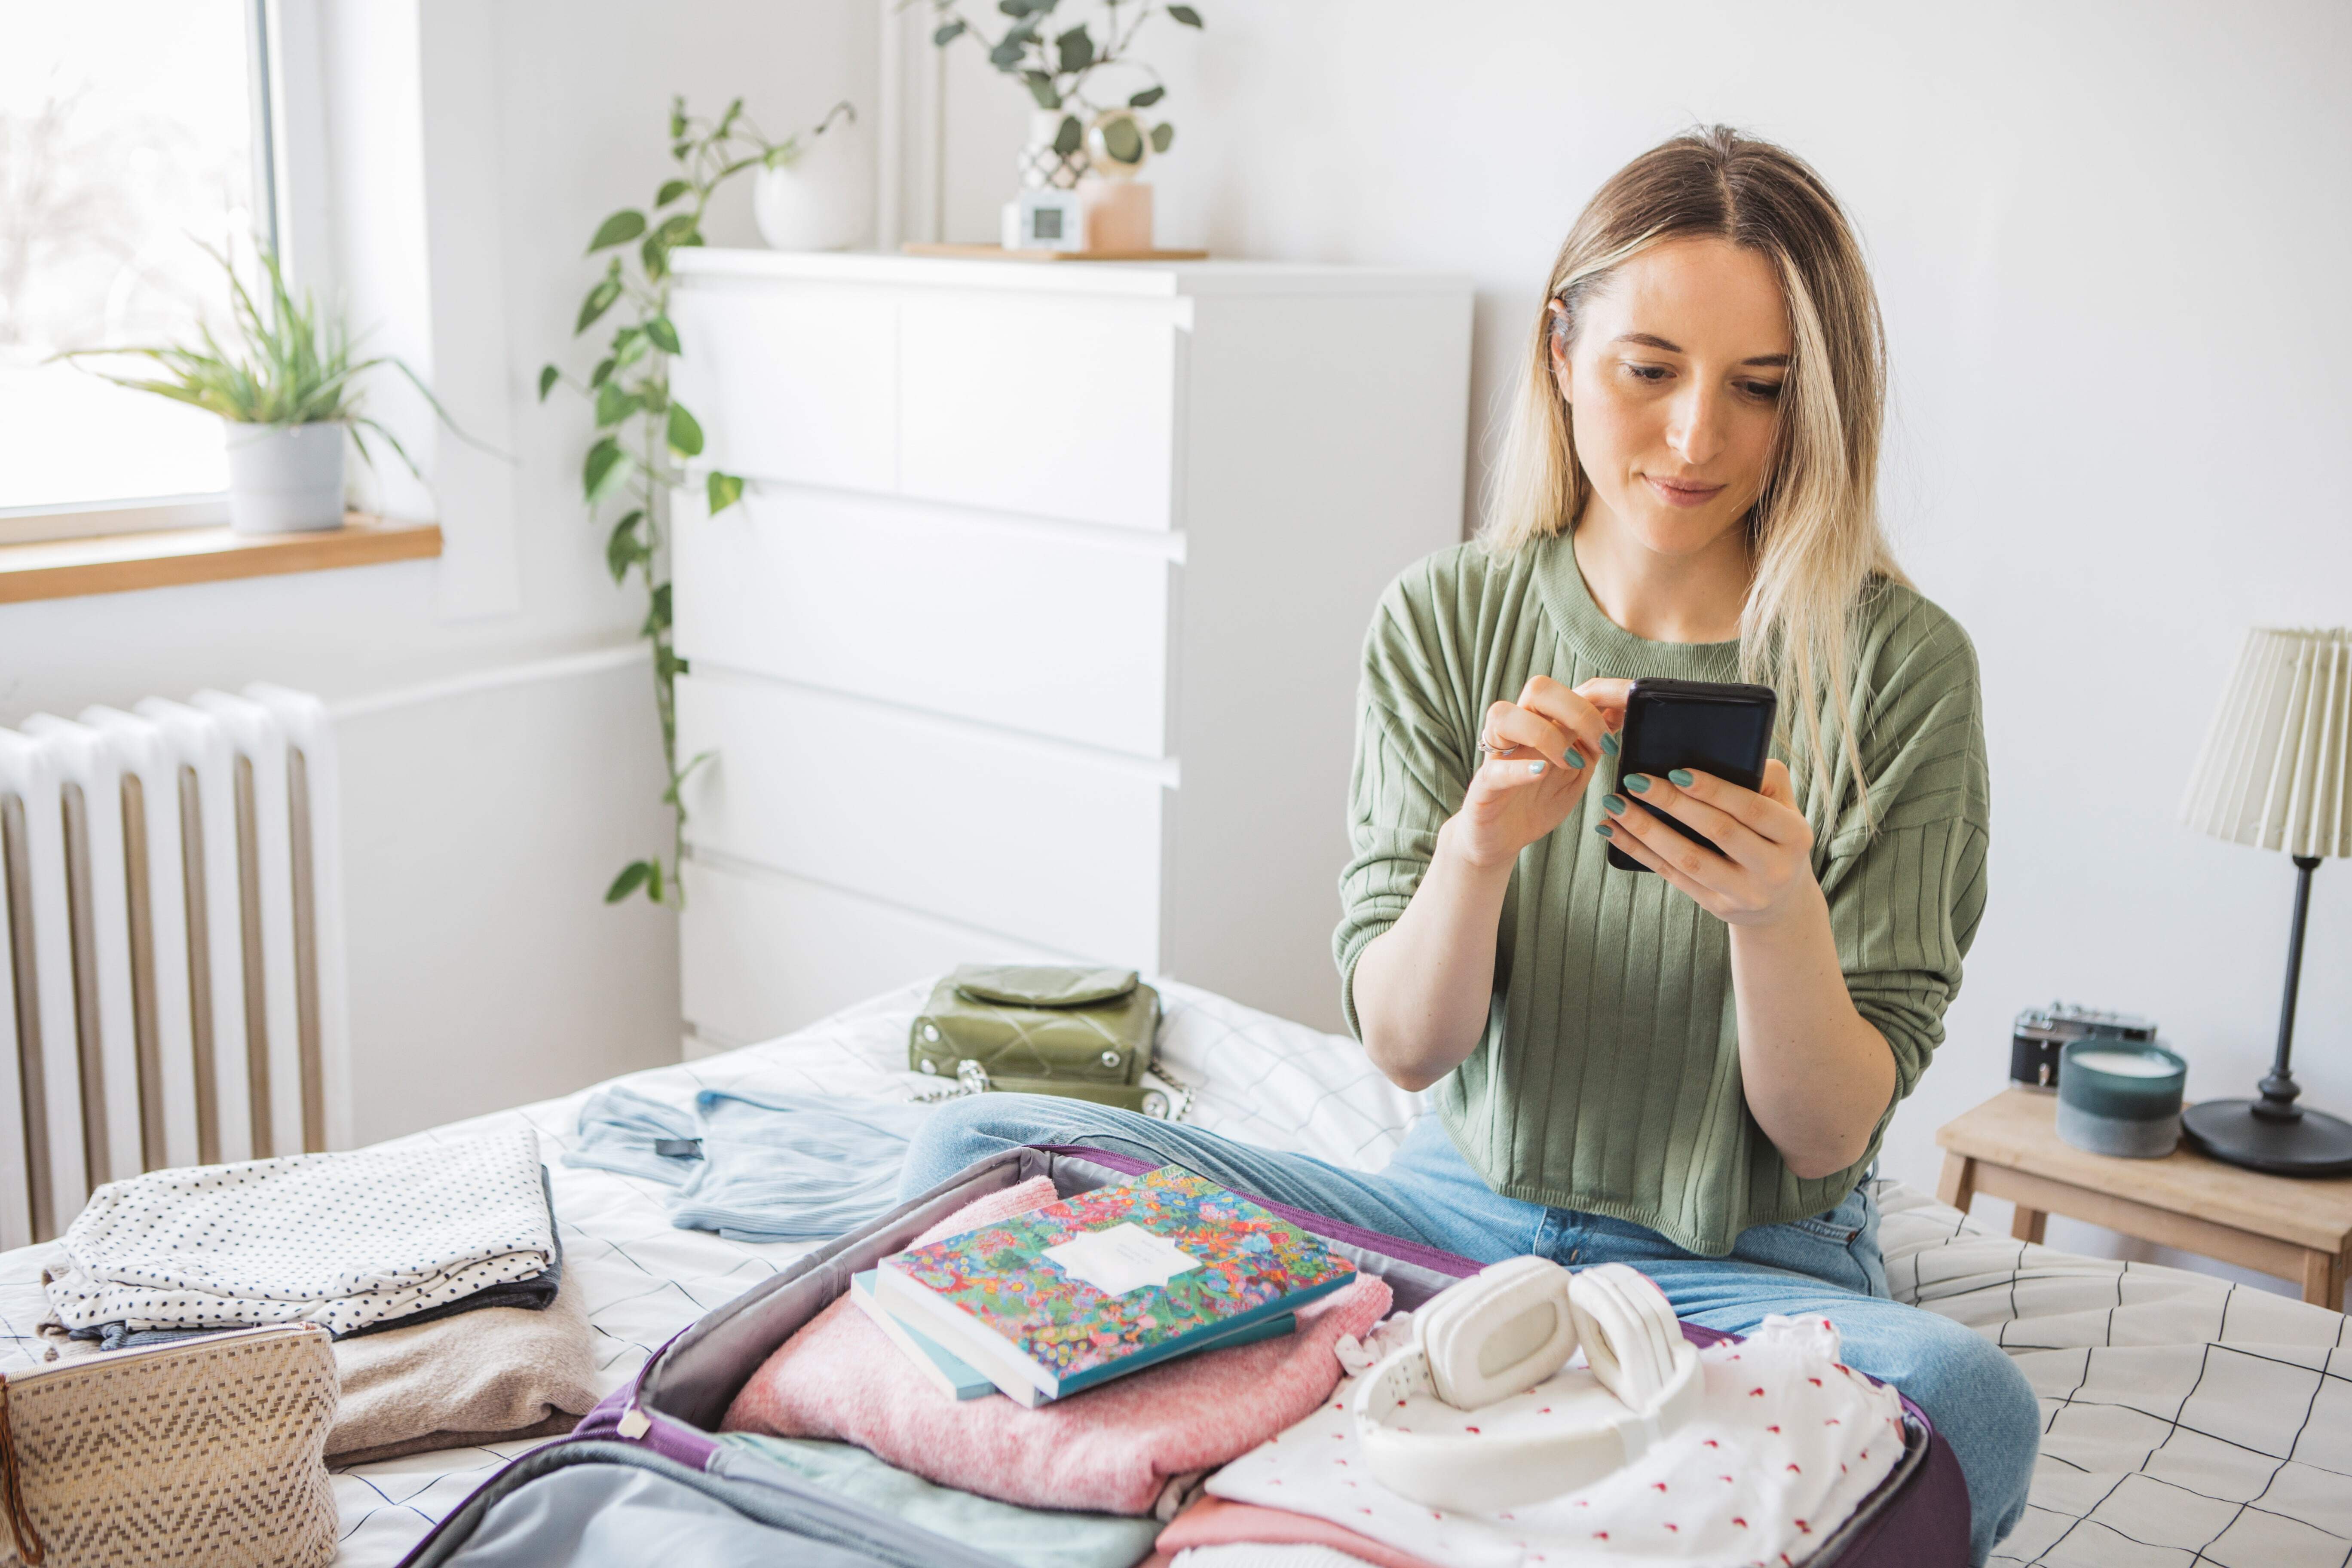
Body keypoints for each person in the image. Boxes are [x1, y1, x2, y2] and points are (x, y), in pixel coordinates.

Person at [899, 126, 2037, 1562]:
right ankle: (1398, 1417)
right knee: (978, 1146)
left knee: (1971, 1403)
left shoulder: (1901, 669)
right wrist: (1477, 853)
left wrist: (1774, 913)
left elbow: (1823, 1132)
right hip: (1446, 1232)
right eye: (1651, 370)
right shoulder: (1444, 618)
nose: (1699, 438)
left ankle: (1350, 1403)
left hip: (1735, 1276)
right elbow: (1406, 1047)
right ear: (1562, 350)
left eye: (1761, 390)